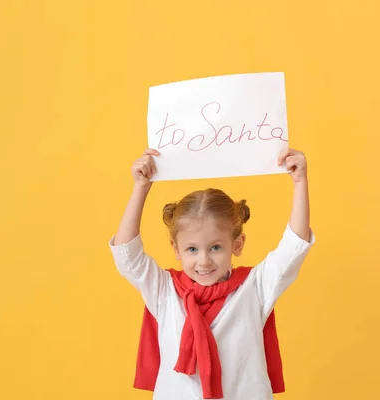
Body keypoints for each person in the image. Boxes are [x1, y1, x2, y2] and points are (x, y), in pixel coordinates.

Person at [109, 148, 315, 400]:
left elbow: (293, 248)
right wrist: (141, 187)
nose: (204, 260)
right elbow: (126, 253)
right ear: (176, 248)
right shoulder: (164, 290)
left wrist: (300, 182)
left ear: (237, 245)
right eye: (192, 249)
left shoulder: (255, 288)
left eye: (215, 247)